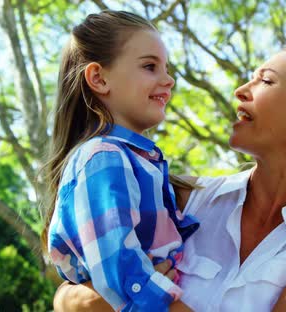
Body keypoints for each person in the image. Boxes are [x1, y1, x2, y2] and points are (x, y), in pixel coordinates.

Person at [53, 41, 286, 311]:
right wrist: (76, 301)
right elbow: (76, 287)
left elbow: (106, 297)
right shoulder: (186, 200)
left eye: (265, 80)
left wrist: (127, 302)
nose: (240, 90)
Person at [42, 10, 199, 312]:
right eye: (150, 66)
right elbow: (123, 278)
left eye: (166, 68)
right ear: (99, 78)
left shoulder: (134, 161)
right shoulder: (103, 158)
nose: (169, 80)